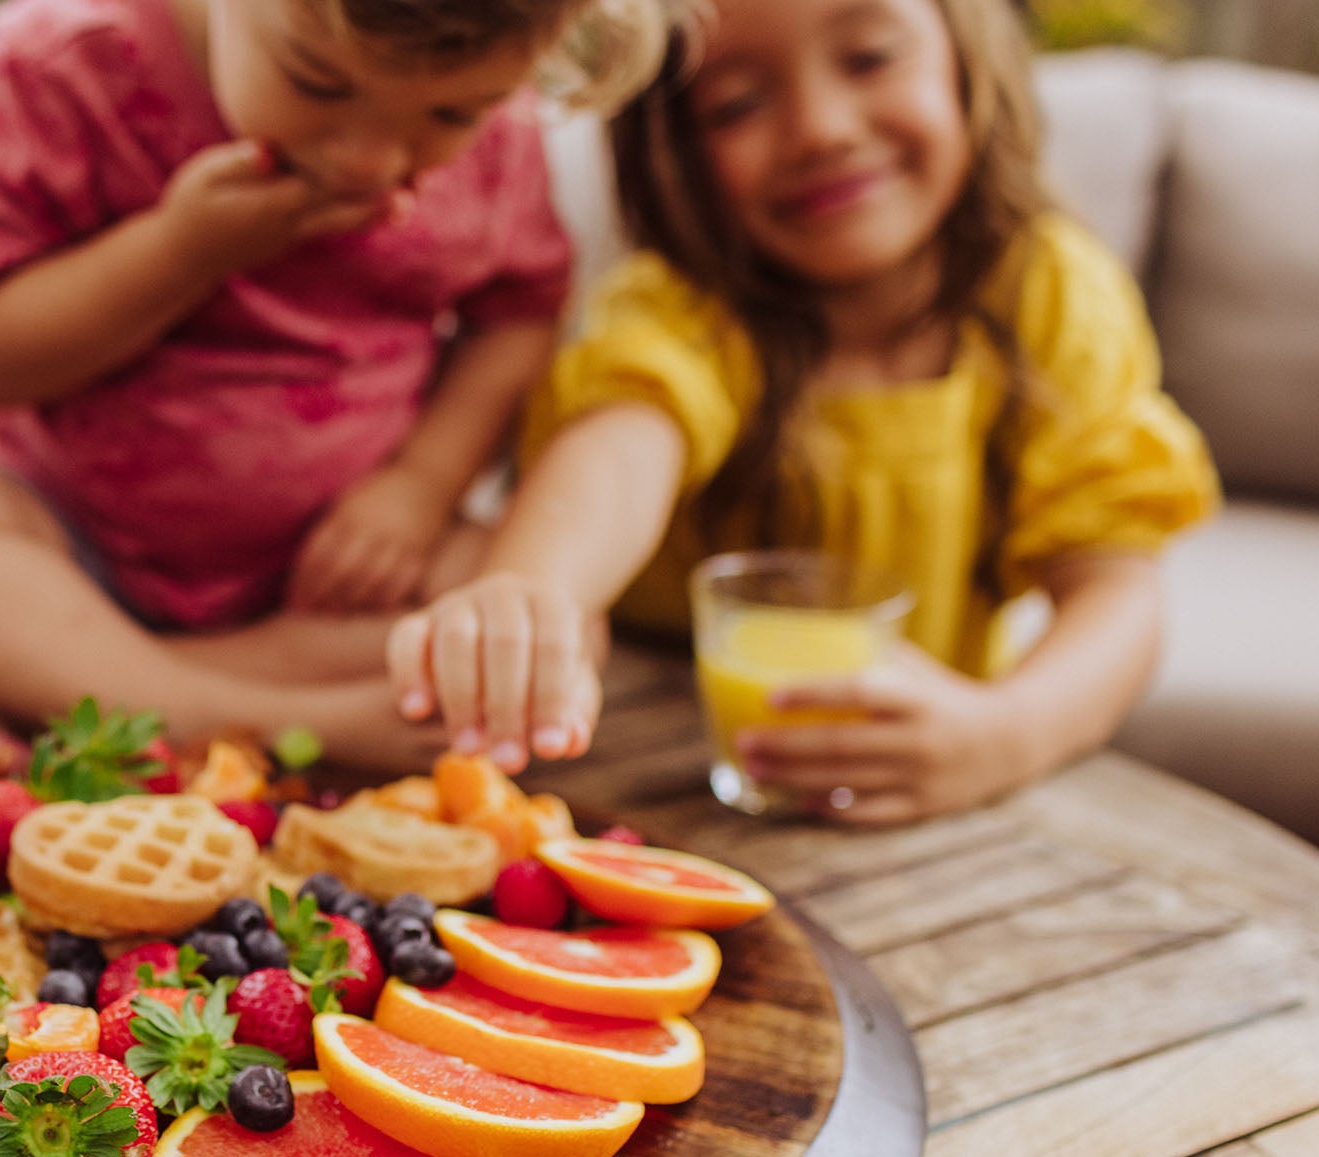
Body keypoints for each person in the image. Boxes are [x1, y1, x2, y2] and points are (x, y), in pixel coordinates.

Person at [0, 0, 663, 769]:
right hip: (69, 552)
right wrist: (181, 251)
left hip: (318, 589)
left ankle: (89, 691)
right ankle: (278, 721)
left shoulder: (502, 131)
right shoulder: (58, 66)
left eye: (450, 113)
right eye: (317, 81)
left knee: (546, 630)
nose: (368, 158)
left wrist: (419, 486)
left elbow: (515, 318)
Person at [428, 0, 1220, 817]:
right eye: (736, 105)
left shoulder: (1052, 296)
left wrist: (1004, 732)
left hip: (921, 810)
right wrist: (532, 587)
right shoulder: (686, 310)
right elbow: (624, 442)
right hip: (657, 792)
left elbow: (1117, 590)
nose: (820, 130)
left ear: (965, 52)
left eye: (870, 58)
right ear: (674, 150)